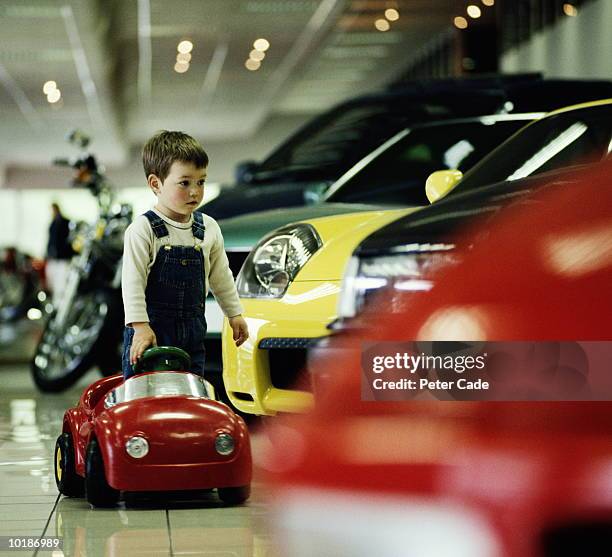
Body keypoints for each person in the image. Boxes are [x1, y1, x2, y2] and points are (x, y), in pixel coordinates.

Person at [121, 130, 248, 378]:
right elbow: (132, 283)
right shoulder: (143, 229)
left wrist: (235, 313)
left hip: (193, 332)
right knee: (147, 399)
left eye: (201, 182)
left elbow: (221, 275)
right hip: (152, 333)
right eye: (185, 182)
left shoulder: (208, 228)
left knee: (191, 394)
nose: (195, 191)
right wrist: (140, 327)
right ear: (155, 184)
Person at [46, 203, 73, 303]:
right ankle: (55, 302)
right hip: (53, 257)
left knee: (62, 282)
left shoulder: (65, 222)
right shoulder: (52, 223)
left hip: (63, 257)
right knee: (53, 282)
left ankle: (61, 303)